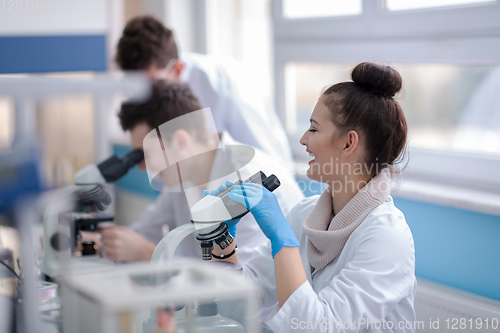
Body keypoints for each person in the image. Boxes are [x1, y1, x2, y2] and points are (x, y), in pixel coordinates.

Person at [207, 63, 416, 332]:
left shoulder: (387, 238)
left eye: (314, 129)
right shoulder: (304, 214)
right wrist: (223, 241)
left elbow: (321, 328)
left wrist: (283, 243)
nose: (304, 139)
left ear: (348, 143)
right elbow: (245, 303)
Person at [98, 80, 304, 263]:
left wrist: (148, 253)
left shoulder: (248, 181)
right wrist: (99, 243)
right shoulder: (183, 175)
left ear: (180, 141)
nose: (142, 166)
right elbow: (142, 234)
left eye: (146, 154)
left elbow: (240, 286)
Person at [115, 15, 292, 164]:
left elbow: (267, 159)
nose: (144, 95)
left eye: (151, 84)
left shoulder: (222, 83)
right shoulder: (157, 99)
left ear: (177, 69)